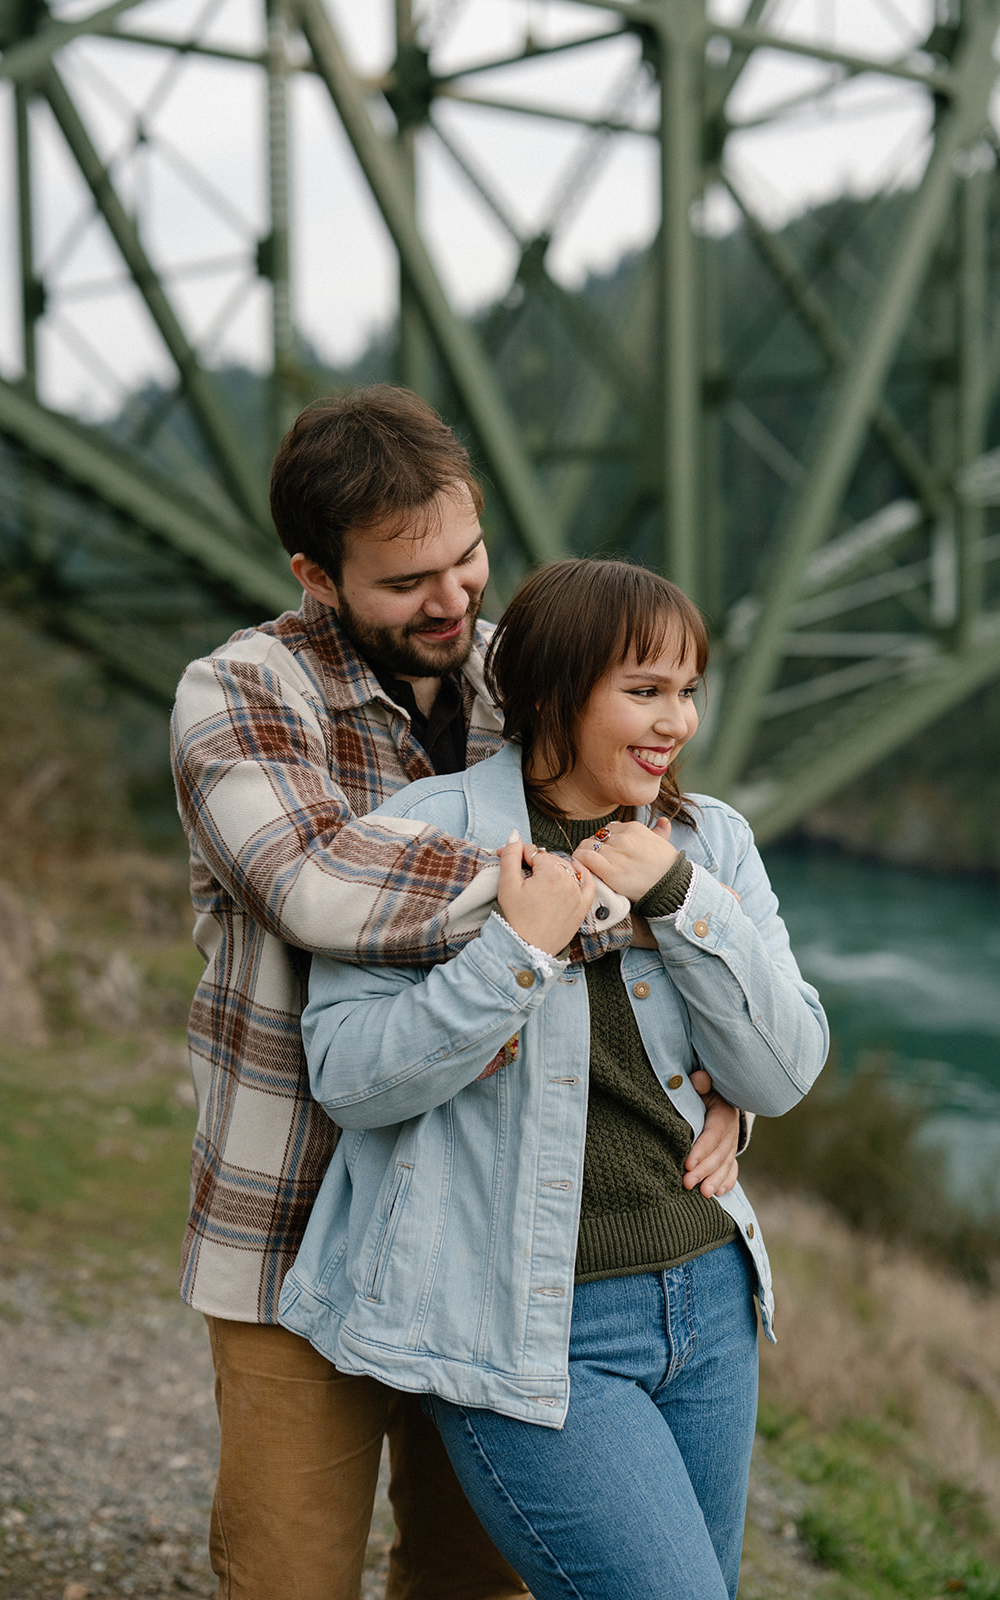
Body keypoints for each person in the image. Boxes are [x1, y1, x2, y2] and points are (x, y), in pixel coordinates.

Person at [171, 390, 745, 1599]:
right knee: (288, 1576)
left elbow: (676, 846)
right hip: (294, 1222)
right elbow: (317, 883)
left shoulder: (521, 673)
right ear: (315, 575)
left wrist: (722, 1065)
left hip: (489, 1237)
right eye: (403, 582)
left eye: (467, 558)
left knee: (475, 1579)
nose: (451, 600)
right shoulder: (237, 694)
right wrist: (573, 892)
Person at [279, 557, 830, 1600]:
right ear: (548, 693)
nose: (677, 722)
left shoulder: (708, 840)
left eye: (686, 689)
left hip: (708, 1300)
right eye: (642, 690)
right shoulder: (420, 833)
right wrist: (514, 957)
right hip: (531, 1321)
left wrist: (679, 896)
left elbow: (785, 1066)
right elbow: (347, 1078)